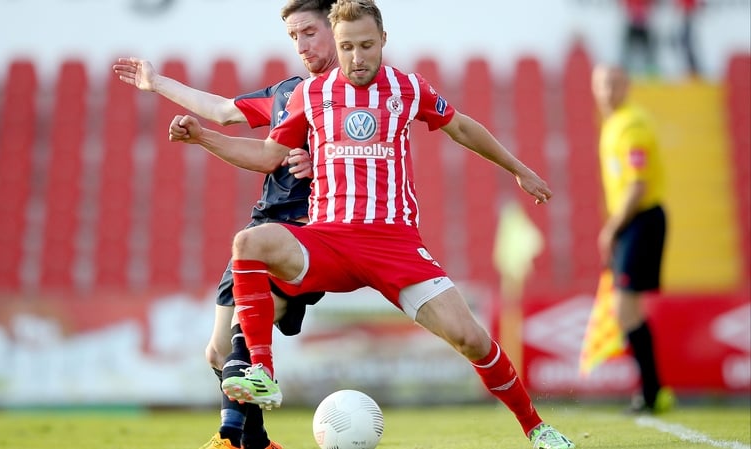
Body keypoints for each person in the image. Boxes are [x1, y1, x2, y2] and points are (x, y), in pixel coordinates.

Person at [168, 1, 575, 447]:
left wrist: (518, 169)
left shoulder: (408, 88)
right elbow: (267, 156)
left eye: (366, 45)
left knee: (472, 339)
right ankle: (261, 370)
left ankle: (537, 428)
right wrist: (203, 136)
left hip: (394, 246)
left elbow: (460, 127)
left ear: (383, 40)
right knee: (249, 243)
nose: (357, 57)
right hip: (328, 239)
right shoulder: (310, 94)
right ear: (337, 46)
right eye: (347, 47)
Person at [112, 1, 339, 448]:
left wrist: (323, 163)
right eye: (294, 37)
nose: (302, 45)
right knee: (217, 351)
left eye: (310, 32)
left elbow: (373, 159)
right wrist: (158, 83)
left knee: (245, 336)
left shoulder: (355, 95)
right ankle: (255, 441)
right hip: (260, 227)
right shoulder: (288, 93)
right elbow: (221, 109)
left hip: (308, 232)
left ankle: (230, 436)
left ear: (335, 27)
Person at [591, 64, 674, 414]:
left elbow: (637, 185)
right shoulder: (612, 125)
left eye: (615, 83)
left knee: (625, 309)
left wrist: (611, 228)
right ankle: (654, 392)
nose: (609, 90)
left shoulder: (632, 124)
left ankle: (652, 392)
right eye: (603, 84)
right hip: (634, 222)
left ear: (626, 85)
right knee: (629, 309)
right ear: (594, 89)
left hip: (641, 219)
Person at [620, 0, 658, 77]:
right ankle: (624, 70)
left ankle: (651, 71)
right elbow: (626, 5)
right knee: (628, 50)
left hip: (644, 24)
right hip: (632, 24)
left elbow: (651, 5)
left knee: (648, 51)